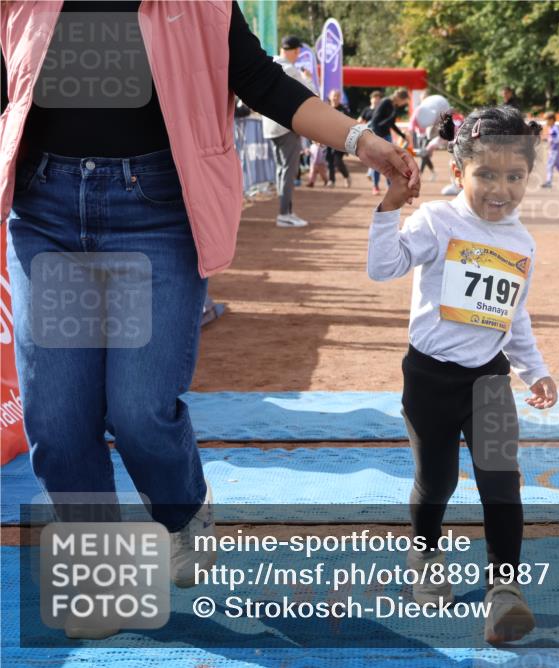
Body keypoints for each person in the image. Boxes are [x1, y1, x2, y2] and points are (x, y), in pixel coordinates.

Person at [1, 0, 418, 639]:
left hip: (156, 211)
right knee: (57, 420)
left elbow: (261, 80)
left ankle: (183, 510)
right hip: (47, 214)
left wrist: (361, 140)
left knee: (140, 409)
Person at [366, 105, 557, 645]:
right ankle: (426, 553)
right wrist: (389, 208)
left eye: (515, 176)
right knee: (438, 482)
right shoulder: (438, 221)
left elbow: (513, 315)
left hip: (488, 381)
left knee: (501, 480)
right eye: (486, 174)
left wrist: (535, 370)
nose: (501, 189)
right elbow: (383, 267)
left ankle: (505, 592)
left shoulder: (522, 242)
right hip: (429, 378)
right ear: (458, 172)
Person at [262, 35, 315, 227]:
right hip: (286, 125)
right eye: (298, 50)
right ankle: (285, 213)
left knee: (281, 170)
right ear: (295, 50)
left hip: (270, 126)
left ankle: (285, 211)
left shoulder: (270, 63)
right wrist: (308, 79)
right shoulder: (291, 69)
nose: (299, 54)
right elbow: (310, 94)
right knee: (288, 171)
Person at [368, 88, 411, 195]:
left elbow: (391, 124)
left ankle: (390, 187)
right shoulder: (386, 102)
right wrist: (378, 137)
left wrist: (402, 135)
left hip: (387, 135)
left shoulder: (394, 106)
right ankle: (375, 186)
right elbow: (375, 122)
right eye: (404, 101)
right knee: (378, 162)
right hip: (378, 135)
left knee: (390, 162)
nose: (403, 104)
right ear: (400, 98)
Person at [325, 89, 352, 188]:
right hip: (327, 138)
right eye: (334, 96)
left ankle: (346, 176)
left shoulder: (344, 110)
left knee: (337, 161)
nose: (335, 98)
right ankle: (331, 180)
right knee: (329, 160)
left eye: (337, 96)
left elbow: (349, 124)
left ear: (340, 98)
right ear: (330, 96)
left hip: (340, 139)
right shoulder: (325, 109)